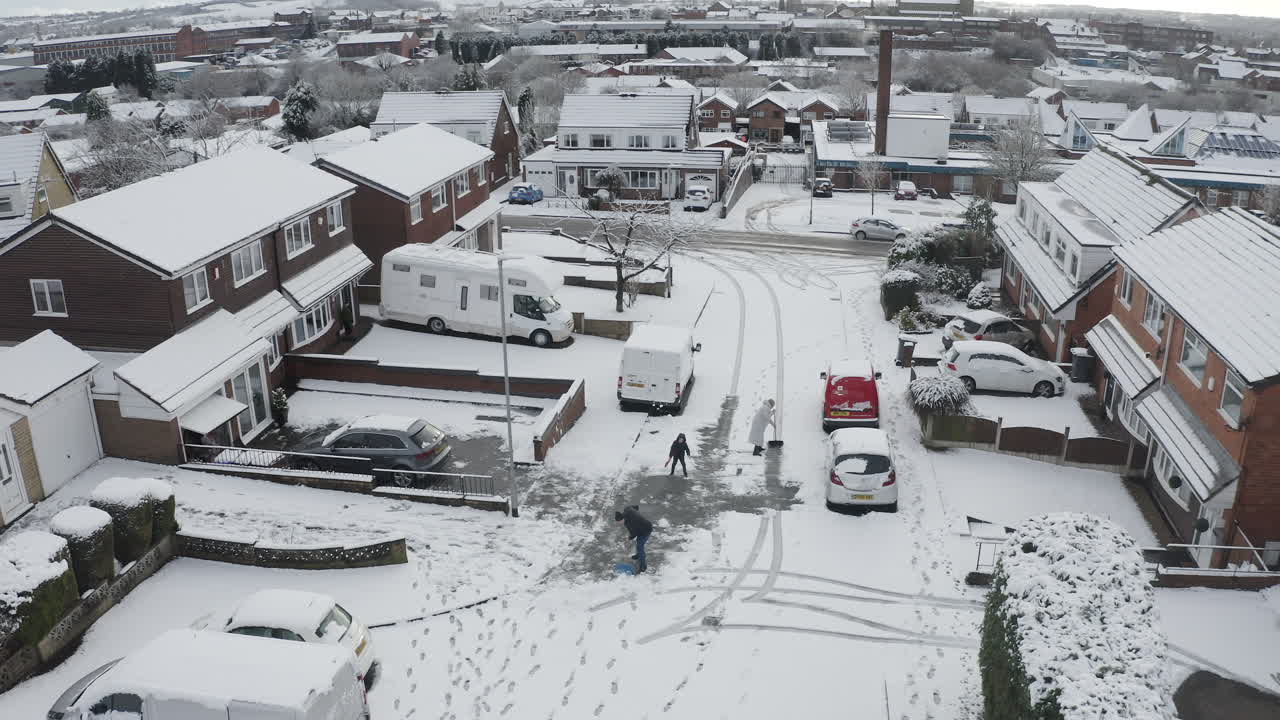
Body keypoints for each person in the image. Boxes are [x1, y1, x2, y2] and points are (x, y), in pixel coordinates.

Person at [614, 505, 653, 573]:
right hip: (641, 526)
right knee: (638, 542)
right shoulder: (627, 509)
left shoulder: (630, 523)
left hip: (646, 529)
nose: (619, 523)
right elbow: (635, 506)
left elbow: (634, 534)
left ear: (622, 518)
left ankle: (643, 566)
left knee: (640, 546)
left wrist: (629, 538)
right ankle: (638, 555)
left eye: (620, 522)